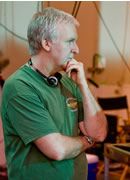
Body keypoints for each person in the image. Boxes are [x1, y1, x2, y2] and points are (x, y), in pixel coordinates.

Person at [1, 7, 107, 180]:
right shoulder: (20, 86)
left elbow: (99, 133)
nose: (77, 49)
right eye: (70, 41)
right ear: (46, 43)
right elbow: (56, 149)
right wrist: (86, 140)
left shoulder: (68, 80)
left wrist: (83, 87)